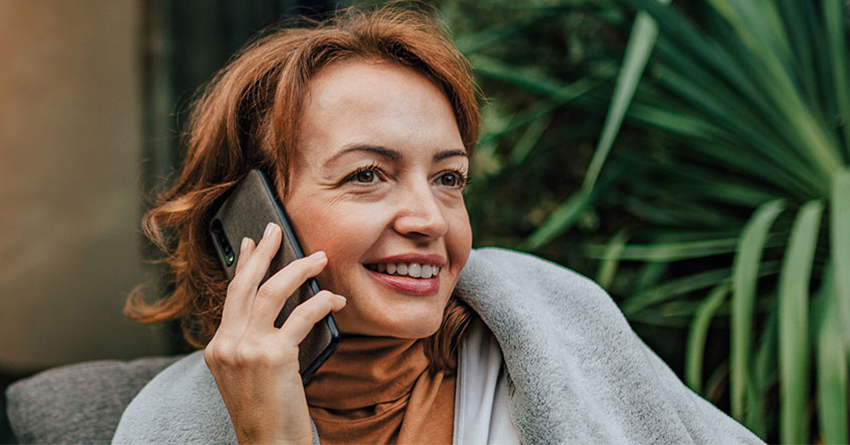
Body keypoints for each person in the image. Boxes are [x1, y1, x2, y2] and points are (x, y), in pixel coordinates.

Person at [112, 5, 762, 444]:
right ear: (252, 217)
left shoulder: (554, 319)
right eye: (368, 174)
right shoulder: (166, 426)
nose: (429, 219)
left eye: (448, 178)